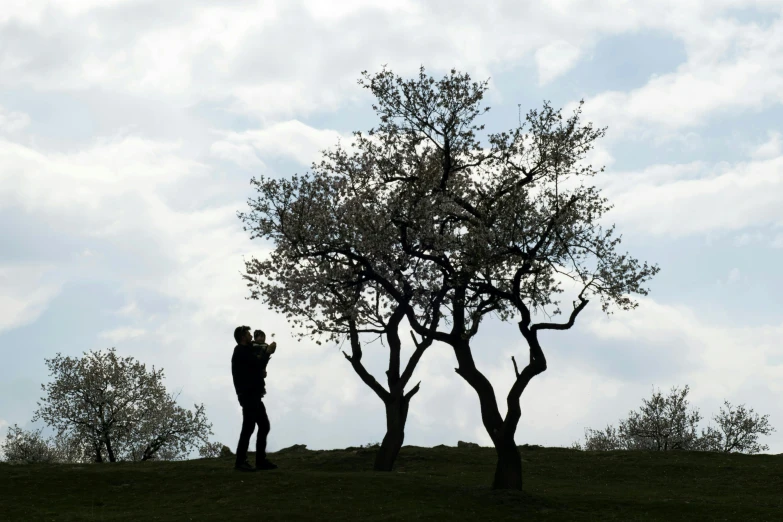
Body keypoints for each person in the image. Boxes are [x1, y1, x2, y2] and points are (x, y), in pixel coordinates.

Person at [231, 325, 277, 472]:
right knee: (249, 427)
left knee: (263, 425)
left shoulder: (246, 350)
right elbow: (255, 364)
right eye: (249, 334)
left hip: (253, 394)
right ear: (243, 337)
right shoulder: (241, 351)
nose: (251, 336)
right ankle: (241, 462)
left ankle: (259, 461)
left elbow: (256, 366)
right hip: (249, 394)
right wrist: (267, 353)